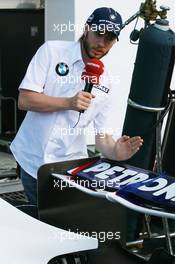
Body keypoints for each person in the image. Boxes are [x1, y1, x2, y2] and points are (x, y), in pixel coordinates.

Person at [10, 7, 143, 205]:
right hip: (32, 159)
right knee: (37, 222)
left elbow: (101, 139)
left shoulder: (108, 81)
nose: (101, 43)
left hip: (69, 167)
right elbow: (25, 100)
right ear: (86, 28)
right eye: (98, 33)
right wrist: (68, 103)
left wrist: (116, 152)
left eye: (110, 38)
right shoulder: (52, 51)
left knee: (62, 224)